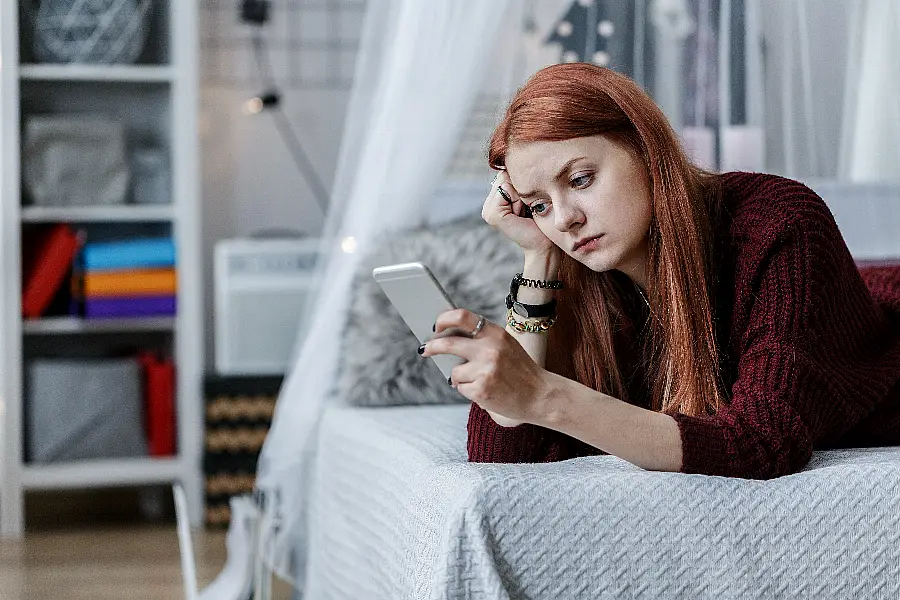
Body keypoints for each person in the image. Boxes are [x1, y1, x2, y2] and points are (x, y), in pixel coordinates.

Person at [417, 63, 900, 479]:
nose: (564, 219)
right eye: (538, 205)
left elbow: (763, 443)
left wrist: (544, 395)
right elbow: (502, 455)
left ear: (646, 151)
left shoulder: (779, 221)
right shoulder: (578, 268)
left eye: (581, 179)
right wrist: (538, 259)